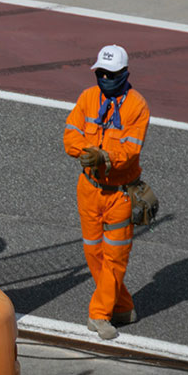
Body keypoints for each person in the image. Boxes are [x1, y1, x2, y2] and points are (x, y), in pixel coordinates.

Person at [63, 44, 150, 340]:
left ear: (124, 73)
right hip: (89, 189)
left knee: (115, 256)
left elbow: (131, 150)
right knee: (94, 253)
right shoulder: (88, 98)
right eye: (100, 73)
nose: (104, 78)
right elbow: (70, 134)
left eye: (110, 74)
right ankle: (122, 306)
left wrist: (105, 158)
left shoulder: (137, 106)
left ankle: (99, 315)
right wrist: (86, 152)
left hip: (121, 194)